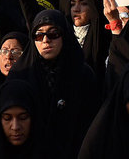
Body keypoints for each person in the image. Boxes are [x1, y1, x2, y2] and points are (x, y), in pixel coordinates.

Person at [8, 9, 100, 159]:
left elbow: (91, 124)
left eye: (53, 34)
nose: (45, 40)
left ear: (64, 35)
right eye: (39, 35)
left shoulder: (83, 74)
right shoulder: (20, 75)